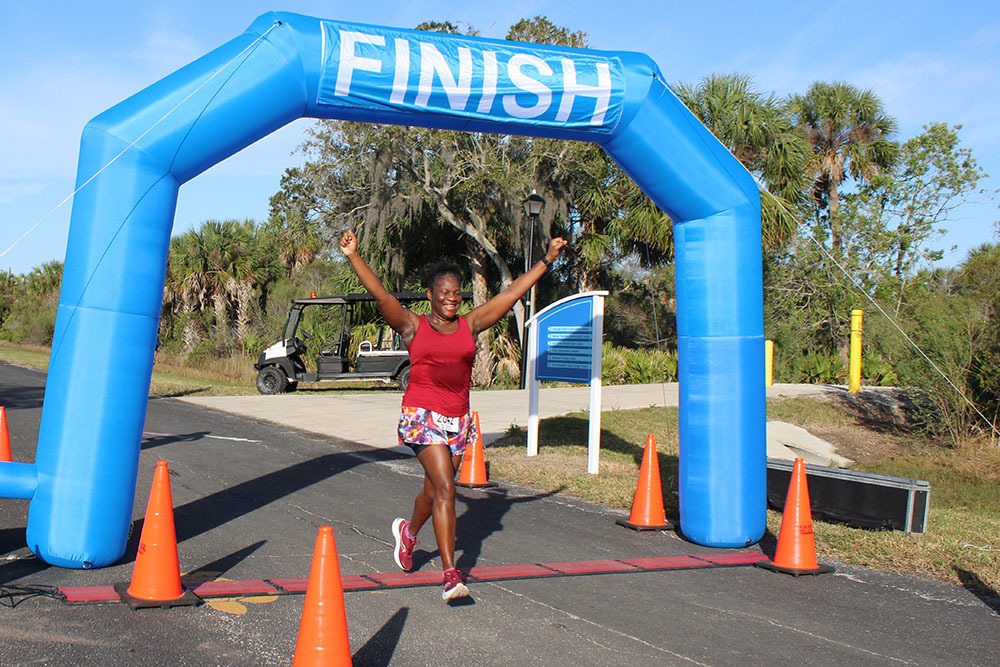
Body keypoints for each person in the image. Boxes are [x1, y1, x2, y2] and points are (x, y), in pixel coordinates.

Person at [340, 229, 568, 601]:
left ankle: (408, 534)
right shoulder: (412, 326)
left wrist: (547, 259)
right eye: (443, 293)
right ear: (430, 295)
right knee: (447, 487)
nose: (451, 298)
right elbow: (380, 294)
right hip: (421, 415)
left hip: (457, 419)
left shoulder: (470, 324)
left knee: (433, 491)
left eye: (456, 293)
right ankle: (450, 575)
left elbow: (510, 295)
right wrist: (353, 256)